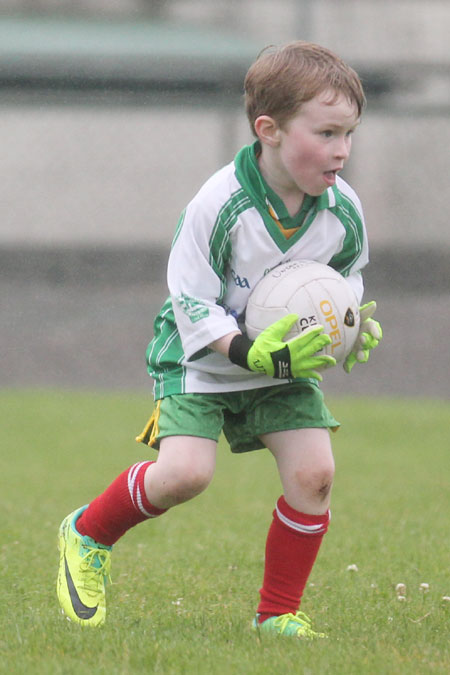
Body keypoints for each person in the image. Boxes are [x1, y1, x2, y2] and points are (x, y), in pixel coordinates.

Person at [57, 41, 382, 638]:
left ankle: (276, 614)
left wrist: (353, 324)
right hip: (200, 357)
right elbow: (189, 299)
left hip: (281, 364)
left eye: (349, 134)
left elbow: (347, 277)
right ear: (271, 130)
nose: (343, 150)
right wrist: (242, 349)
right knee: (185, 476)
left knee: (315, 475)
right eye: (328, 132)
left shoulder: (342, 209)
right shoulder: (220, 204)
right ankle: (86, 533)